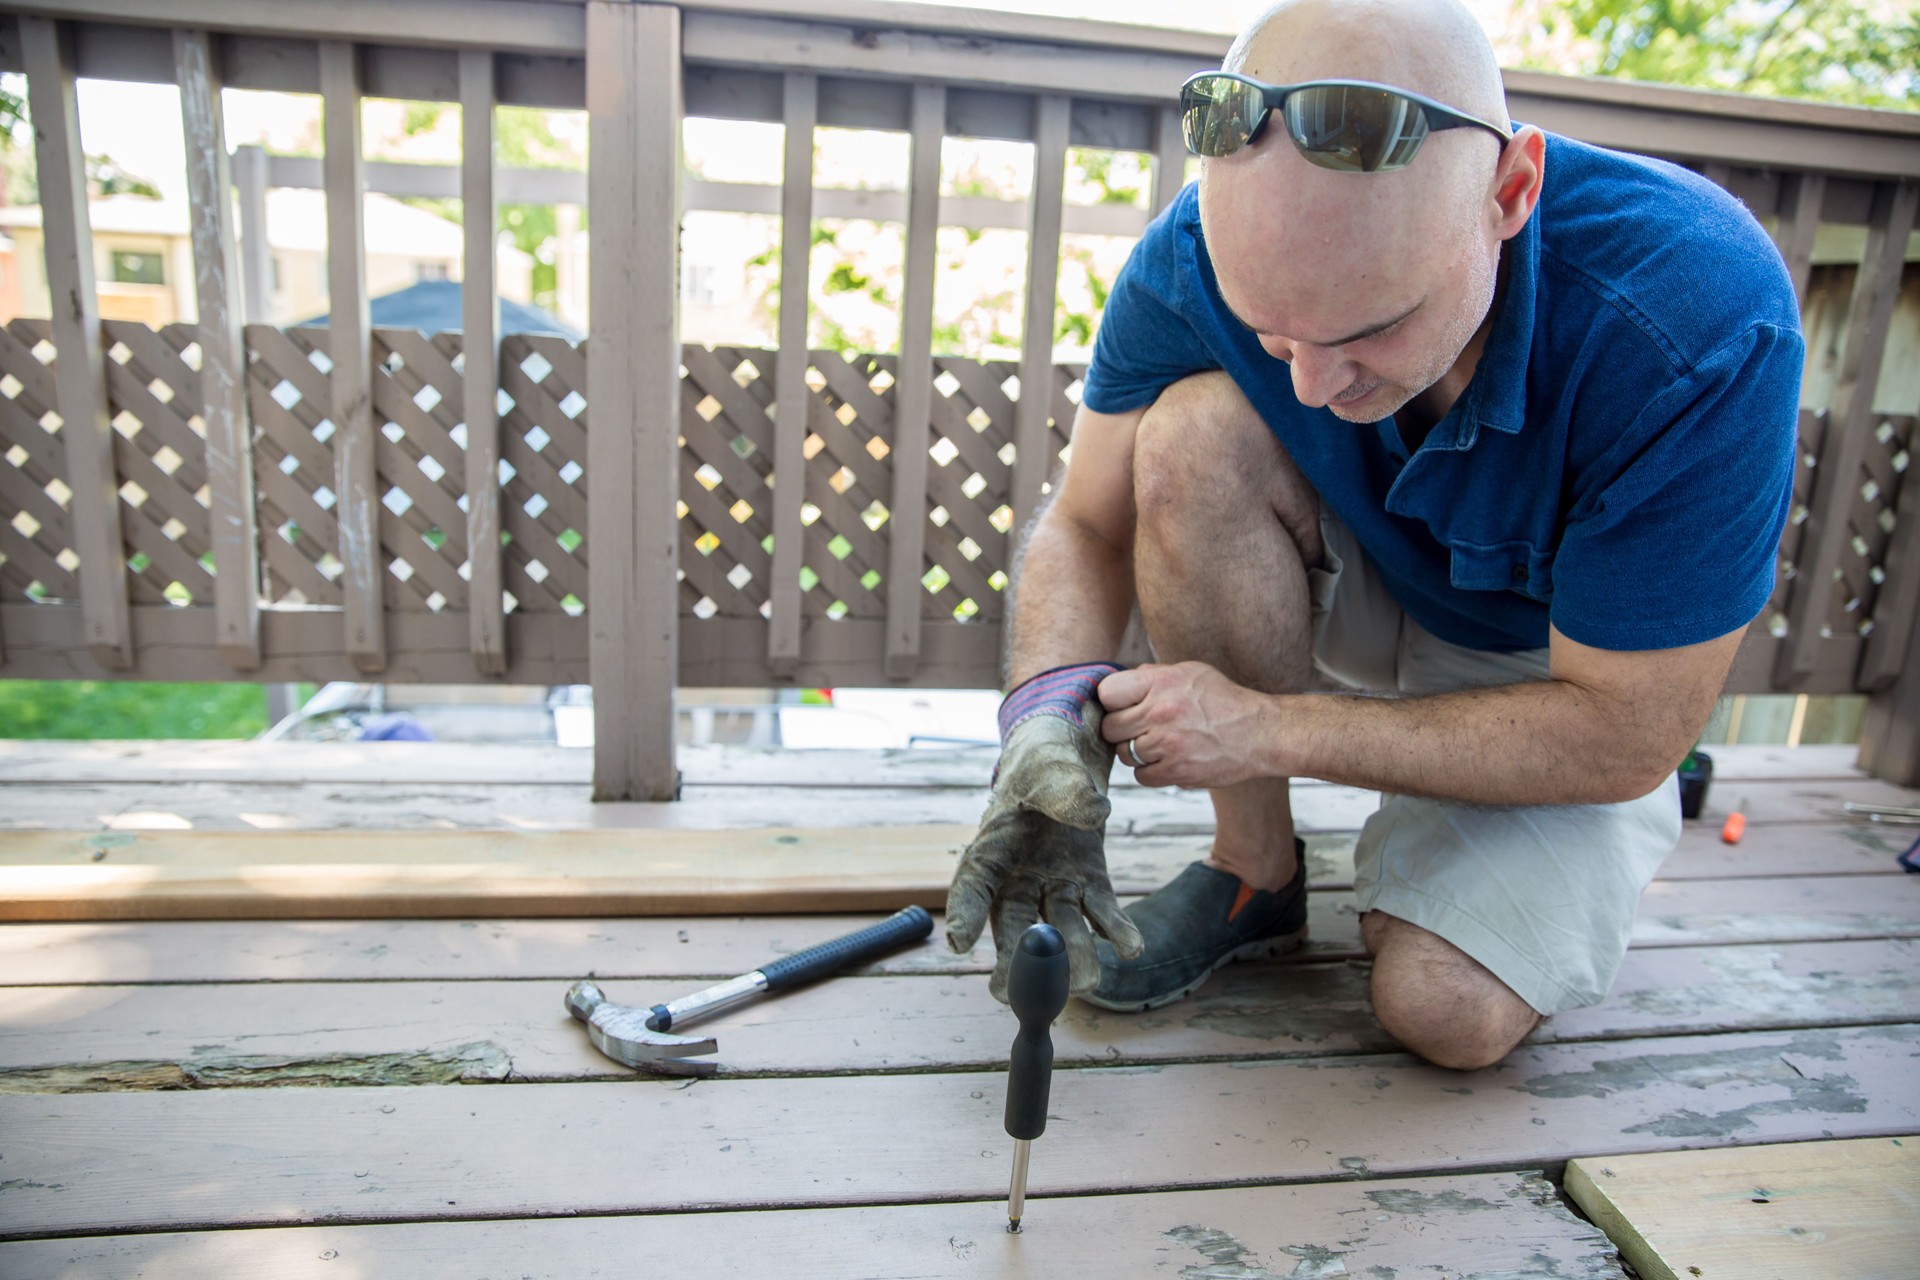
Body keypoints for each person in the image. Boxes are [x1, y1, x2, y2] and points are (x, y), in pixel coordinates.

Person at [944, 0, 1802, 1069]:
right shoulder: (1189, 255)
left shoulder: (1700, 312)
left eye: (1368, 327)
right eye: (1272, 331)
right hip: (1356, 564)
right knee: (1191, 436)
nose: (1311, 382)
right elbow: (1085, 520)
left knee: (1445, 1010)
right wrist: (1040, 719)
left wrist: (1268, 725)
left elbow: (1627, 732)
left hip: (1557, 667)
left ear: (1510, 191)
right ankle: (1254, 867)